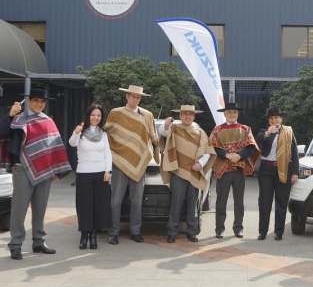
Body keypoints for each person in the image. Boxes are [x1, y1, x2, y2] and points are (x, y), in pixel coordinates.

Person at [0, 88, 71, 260]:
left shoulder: (48, 121)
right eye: (35, 100)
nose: (38, 104)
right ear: (29, 101)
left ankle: (39, 242)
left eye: (42, 101)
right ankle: (15, 245)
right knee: (19, 209)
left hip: (44, 172)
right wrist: (10, 115)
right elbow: (1, 132)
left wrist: (55, 170)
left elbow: (53, 146)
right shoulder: (18, 118)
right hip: (22, 169)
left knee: (40, 208)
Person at [103, 85, 160, 245]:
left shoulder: (147, 115)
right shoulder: (115, 113)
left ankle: (136, 231)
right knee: (116, 200)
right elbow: (107, 135)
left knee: (137, 201)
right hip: (119, 162)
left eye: (138, 97)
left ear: (140, 99)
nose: (135, 99)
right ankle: (114, 232)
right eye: (133, 96)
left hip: (139, 163)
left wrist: (164, 134)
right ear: (127, 96)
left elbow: (154, 138)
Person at [159, 105, 216, 243]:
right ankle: (172, 232)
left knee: (192, 204)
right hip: (178, 172)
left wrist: (201, 164)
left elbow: (208, 151)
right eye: (184, 114)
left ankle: (192, 232)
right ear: (180, 115)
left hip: (194, 172)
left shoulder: (201, 133)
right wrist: (165, 123)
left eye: (190, 114)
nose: (187, 116)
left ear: (194, 116)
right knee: (176, 203)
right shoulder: (174, 129)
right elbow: (163, 132)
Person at [209, 103, 260, 239]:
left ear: (238, 114)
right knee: (221, 201)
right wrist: (226, 155)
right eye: (229, 112)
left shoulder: (245, 129)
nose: (232, 115)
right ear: (225, 114)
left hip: (238, 169)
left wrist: (239, 156)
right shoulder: (217, 129)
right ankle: (219, 229)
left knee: (239, 201)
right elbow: (213, 146)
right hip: (223, 169)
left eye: (234, 112)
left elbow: (251, 147)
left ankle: (238, 228)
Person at [68, 104, 112, 250]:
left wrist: (108, 171)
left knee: (98, 206)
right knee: (84, 206)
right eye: (93, 115)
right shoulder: (81, 131)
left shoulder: (104, 134)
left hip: (101, 173)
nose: (96, 118)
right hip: (84, 173)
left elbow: (108, 154)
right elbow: (72, 143)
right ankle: (84, 235)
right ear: (88, 116)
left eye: (98, 115)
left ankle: (93, 235)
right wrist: (76, 132)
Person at [255, 107, 299, 241]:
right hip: (266, 170)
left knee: (281, 201)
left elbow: (295, 153)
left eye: (277, 117)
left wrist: (295, 172)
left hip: (284, 169)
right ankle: (262, 231)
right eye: (272, 118)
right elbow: (258, 142)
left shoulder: (288, 132)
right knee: (265, 201)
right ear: (269, 120)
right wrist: (268, 133)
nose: (275, 120)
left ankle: (278, 232)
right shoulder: (264, 132)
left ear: (281, 119)